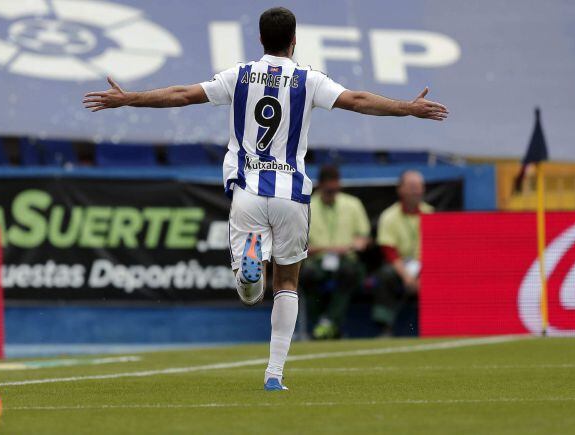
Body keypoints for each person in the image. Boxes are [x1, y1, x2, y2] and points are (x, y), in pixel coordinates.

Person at [82, 7, 448, 390]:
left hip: (248, 189)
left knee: (249, 293)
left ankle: (247, 273)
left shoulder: (239, 75)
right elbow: (357, 100)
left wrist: (129, 98)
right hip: (291, 192)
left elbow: (181, 95)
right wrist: (407, 108)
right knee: (288, 282)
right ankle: (274, 374)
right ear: (294, 40)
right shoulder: (309, 79)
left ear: (260, 39)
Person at [301, 165, 369, 339]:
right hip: (316, 259)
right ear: (320, 186)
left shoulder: (353, 204)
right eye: (328, 190)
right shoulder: (305, 206)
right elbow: (298, 246)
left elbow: (363, 239)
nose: (332, 193)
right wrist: (324, 249)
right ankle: (323, 323)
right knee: (307, 274)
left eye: (334, 189)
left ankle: (327, 323)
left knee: (349, 272)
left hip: (346, 259)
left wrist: (351, 247)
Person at [373, 170, 433, 336]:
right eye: (411, 187)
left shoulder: (432, 214)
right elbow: (389, 252)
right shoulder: (389, 216)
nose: (416, 191)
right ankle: (385, 327)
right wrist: (408, 277)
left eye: (419, 187)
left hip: (426, 267)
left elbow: (437, 250)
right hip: (399, 267)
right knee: (385, 275)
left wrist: (421, 276)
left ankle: (437, 325)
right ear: (400, 190)